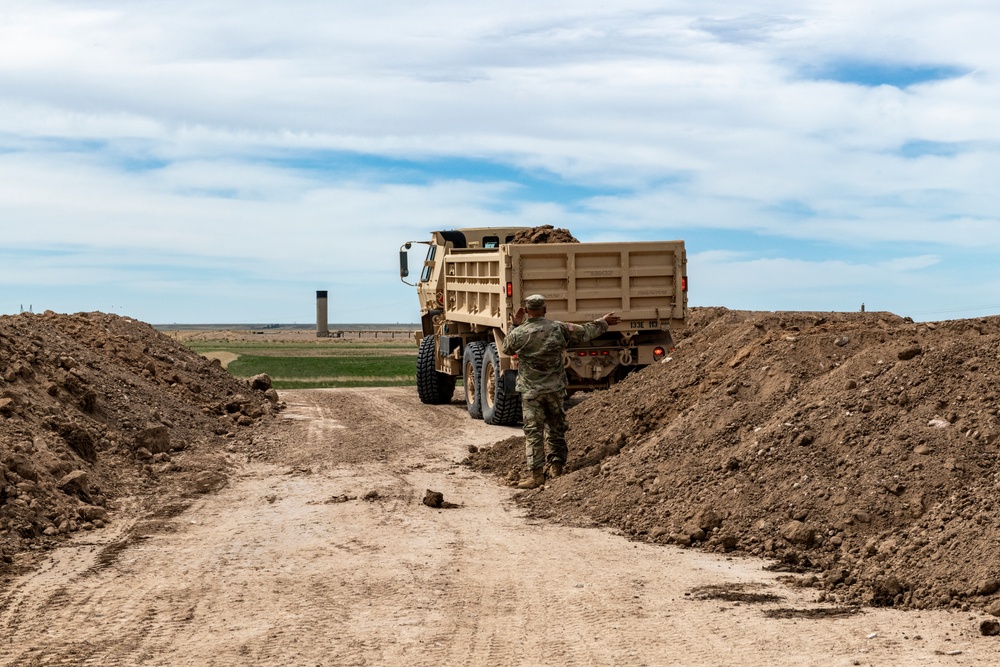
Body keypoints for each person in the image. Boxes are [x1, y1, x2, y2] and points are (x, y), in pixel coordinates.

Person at [501, 294, 621, 489]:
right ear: (545, 309)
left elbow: (507, 348)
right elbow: (585, 332)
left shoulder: (519, 333)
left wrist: (515, 324)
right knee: (556, 428)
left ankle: (537, 475)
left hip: (531, 392)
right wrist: (603, 322)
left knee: (533, 432)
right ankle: (556, 467)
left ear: (526, 311)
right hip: (555, 389)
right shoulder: (559, 328)